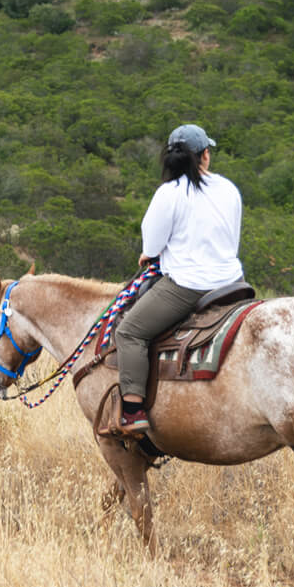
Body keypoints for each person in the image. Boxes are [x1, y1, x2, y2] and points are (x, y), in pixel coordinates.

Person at [113, 123, 244, 436]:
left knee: (130, 331)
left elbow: (153, 245)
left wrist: (149, 255)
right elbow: (233, 238)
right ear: (205, 156)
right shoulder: (227, 188)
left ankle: (132, 411)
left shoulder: (168, 194)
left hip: (189, 285)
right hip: (234, 282)